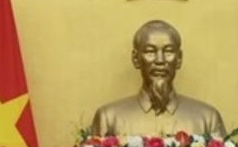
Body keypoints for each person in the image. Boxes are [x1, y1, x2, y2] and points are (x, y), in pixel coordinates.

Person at [89, 19, 228, 137]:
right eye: (150, 51)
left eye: (168, 51)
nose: (160, 60)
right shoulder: (108, 118)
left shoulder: (207, 118)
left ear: (179, 59)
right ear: (136, 59)